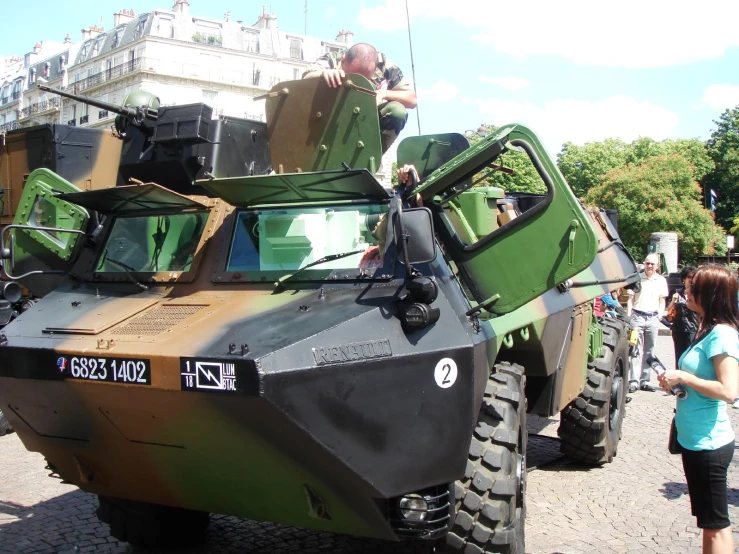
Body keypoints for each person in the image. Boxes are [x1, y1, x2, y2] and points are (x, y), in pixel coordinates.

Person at [658, 264, 739, 554]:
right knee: (710, 522)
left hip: (709, 444)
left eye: (694, 288)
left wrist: (684, 377)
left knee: (716, 524)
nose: (685, 291)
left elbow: (729, 391)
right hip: (696, 440)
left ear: (712, 294)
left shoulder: (723, 335)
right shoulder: (707, 328)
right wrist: (677, 385)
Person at [302, 43, 417, 153]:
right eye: (354, 75)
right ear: (343, 61)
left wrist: (383, 94)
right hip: (330, 118)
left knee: (397, 111)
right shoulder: (332, 59)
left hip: (363, 118)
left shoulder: (384, 65)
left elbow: (412, 100)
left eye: (365, 77)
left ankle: (367, 157)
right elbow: (305, 78)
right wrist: (323, 74)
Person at [627, 253, 668, 393]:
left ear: (657, 266)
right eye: (647, 263)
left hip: (652, 318)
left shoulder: (661, 280)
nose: (649, 266)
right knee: (635, 350)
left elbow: (662, 300)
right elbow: (630, 299)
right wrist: (629, 316)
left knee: (650, 351)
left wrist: (660, 315)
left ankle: (645, 380)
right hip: (637, 317)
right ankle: (634, 380)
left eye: (652, 264)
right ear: (644, 263)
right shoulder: (637, 278)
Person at [666, 265, 699, 367]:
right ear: (683, 279)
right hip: (678, 329)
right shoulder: (677, 293)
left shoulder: (697, 294)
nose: (691, 279)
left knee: (690, 358)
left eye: (693, 277)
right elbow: (669, 310)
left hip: (692, 329)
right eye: (689, 277)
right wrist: (673, 301)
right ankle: (678, 380)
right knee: (679, 356)